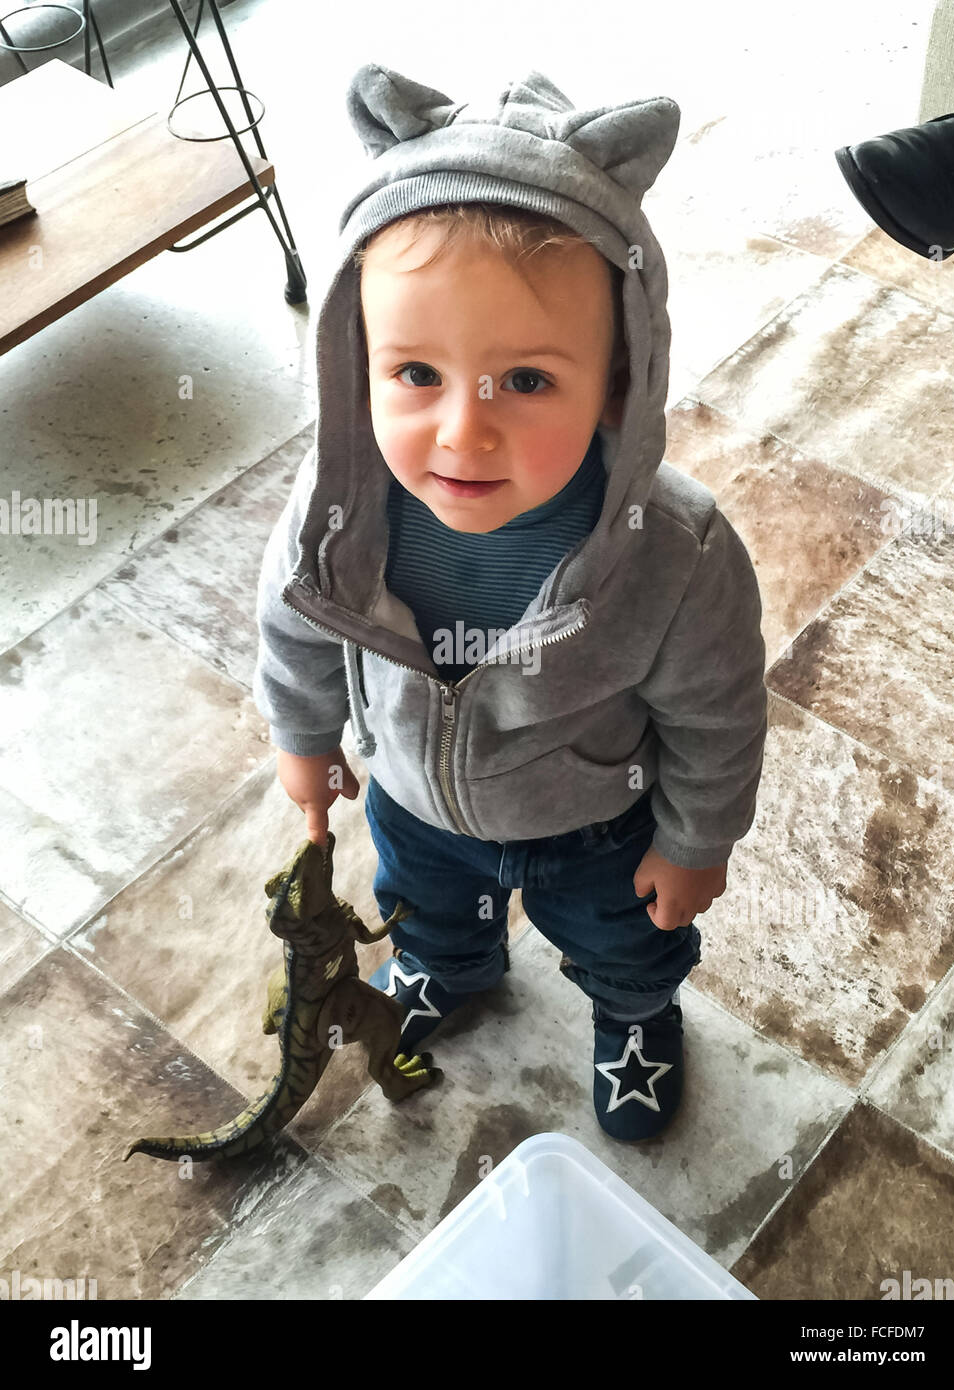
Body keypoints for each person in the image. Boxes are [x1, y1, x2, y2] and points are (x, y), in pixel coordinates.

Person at [252, 64, 768, 1142]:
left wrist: (694, 841)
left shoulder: (673, 552)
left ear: (620, 381)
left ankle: (632, 1016)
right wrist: (303, 736)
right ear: (357, 364)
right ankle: (452, 963)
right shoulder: (336, 507)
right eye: (415, 374)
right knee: (428, 915)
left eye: (525, 381)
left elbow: (717, 717)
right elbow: (296, 622)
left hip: (594, 822)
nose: (462, 432)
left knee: (627, 940)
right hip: (413, 801)